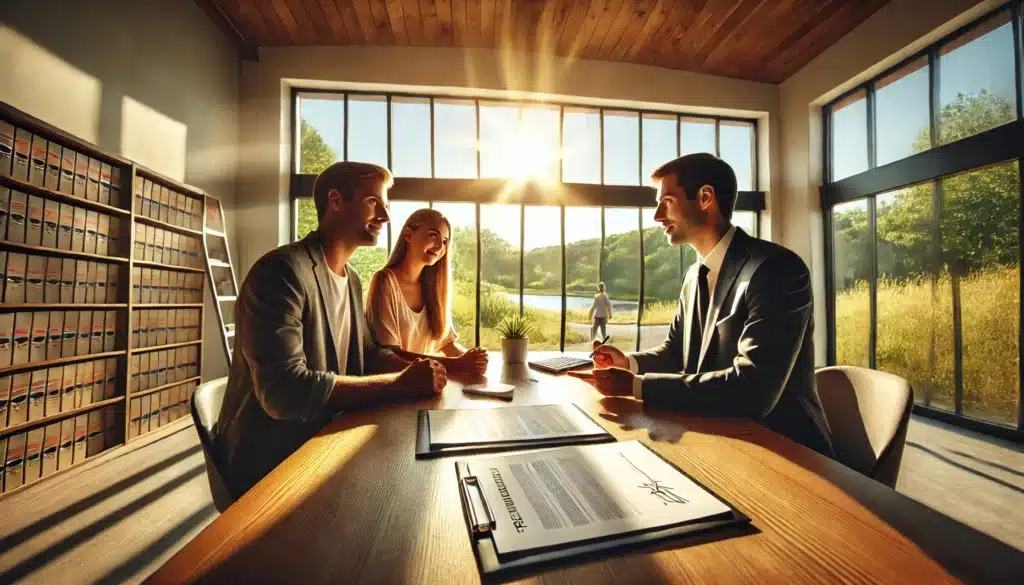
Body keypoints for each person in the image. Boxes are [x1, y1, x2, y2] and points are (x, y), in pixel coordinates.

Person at [569, 153, 834, 457]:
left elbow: (753, 390)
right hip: (720, 440)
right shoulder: (694, 275)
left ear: (705, 197)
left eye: (666, 201)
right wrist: (627, 363)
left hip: (787, 452)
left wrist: (636, 387)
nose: (657, 216)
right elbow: (674, 354)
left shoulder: (778, 269)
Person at [214, 162, 447, 498]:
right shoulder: (280, 273)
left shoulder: (350, 279)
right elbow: (284, 391)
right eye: (373, 203)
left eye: (386, 206)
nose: (385, 217)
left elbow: (368, 355)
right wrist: (398, 384)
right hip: (271, 465)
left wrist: (421, 371)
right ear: (336, 202)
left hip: (327, 441)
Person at [366, 208, 488, 374]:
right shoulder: (384, 282)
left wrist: (474, 360)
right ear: (408, 235)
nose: (439, 246)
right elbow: (390, 355)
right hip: (394, 391)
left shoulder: (434, 288)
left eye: (445, 241)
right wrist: (459, 364)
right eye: (433, 235)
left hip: (427, 387)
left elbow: (447, 344)